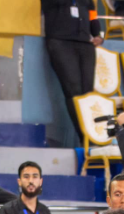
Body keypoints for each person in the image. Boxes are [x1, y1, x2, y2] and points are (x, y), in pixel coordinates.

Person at [42, 0, 102, 141]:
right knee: (73, 91)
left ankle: (92, 135)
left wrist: (98, 33)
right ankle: (85, 137)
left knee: (87, 93)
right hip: (60, 42)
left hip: (85, 43)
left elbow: (92, 14)